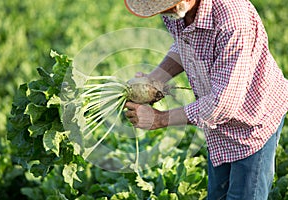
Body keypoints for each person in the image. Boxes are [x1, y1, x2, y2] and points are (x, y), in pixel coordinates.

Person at [123, 0, 288, 199]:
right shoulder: (178, 13)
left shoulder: (233, 20)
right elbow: (186, 45)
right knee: (217, 195)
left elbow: (223, 103)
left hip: (253, 121)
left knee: (243, 194)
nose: (161, 11)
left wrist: (159, 119)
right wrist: (154, 80)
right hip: (216, 125)